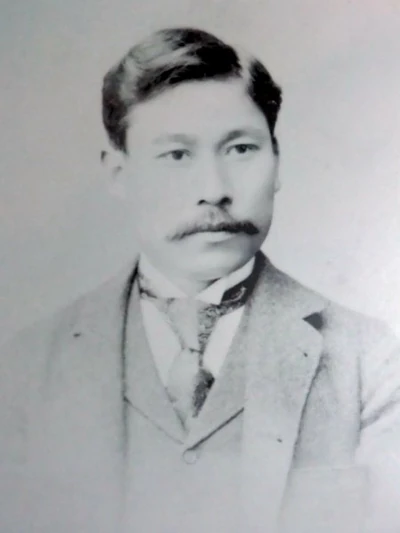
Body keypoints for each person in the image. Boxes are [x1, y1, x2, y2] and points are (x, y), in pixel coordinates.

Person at [1, 27, 400, 533]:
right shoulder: (25, 369)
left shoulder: (371, 362)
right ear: (119, 174)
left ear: (277, 161)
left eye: (241, 149)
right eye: (177, 155)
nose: (214, 189)